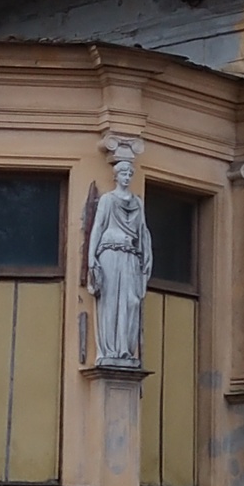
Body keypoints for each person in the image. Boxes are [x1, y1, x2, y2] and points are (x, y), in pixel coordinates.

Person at [88, 156, 153, 365]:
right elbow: (98, 227)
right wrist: (91, 258)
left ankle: (125, 349)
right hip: (109, 254)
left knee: (131, 301)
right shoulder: (107, 200)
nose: (126, 178)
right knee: (110, 301)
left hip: (130, 256)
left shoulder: (138, 203)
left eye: (129, 174)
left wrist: (146, 259)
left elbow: (142, 232)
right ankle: (110, 351)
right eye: (123, 174)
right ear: (116, 177)